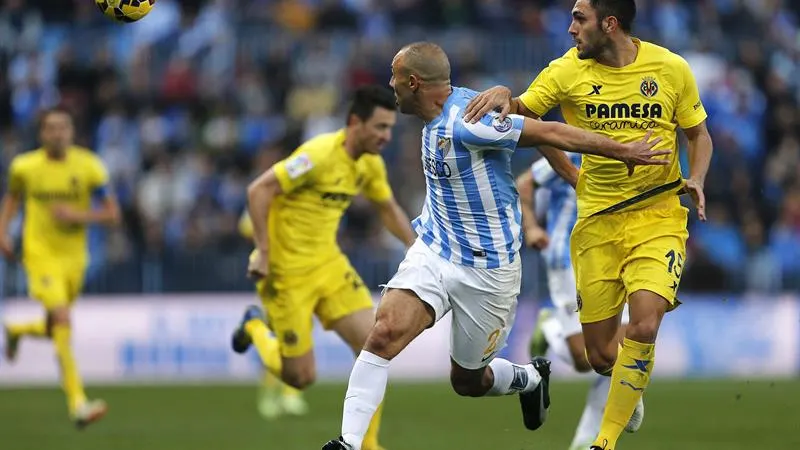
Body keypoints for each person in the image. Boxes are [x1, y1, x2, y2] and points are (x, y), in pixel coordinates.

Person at [322, 41, 672, 450]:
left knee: (468, 382)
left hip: (488, 271)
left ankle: (529, 379)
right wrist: (567, 175)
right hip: (435, 250)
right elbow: (543, 134)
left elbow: (550, 131)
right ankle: (348, 442)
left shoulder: (470, 120)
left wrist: (623, 150)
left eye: (395, 77)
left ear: (413, 82)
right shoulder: (438, 116)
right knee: (382, 334)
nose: (390, 84)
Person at [464, 0, 714, 448]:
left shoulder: (671, 68)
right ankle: (626, 383)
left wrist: (696, 176)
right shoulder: (566, 71)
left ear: (609, 23)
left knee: (644, 324)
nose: (571, 28)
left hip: (658, 216)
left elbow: (697, 133)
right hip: (597, 221)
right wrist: (564, 167)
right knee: (597, 356)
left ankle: (603, 440)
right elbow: (525, 115)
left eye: (580, 19)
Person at [230, 85, 416, 450]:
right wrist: (264, 253)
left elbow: (388, 209)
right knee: (300, 377)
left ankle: (368, 444)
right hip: (286, 273)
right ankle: (254, 325)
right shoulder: (317, 155)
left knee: (376, 344)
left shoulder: (370, 165)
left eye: (390, 128)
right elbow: (258, 190)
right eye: (379, 127)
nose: (386, 136)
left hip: (329, 265)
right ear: (354, 123)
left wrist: (416, 248)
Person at [0, 106, 121, 429]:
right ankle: (78, 402)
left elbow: (112, 214)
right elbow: (12, 198)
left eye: (62, 127)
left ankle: (17, 330)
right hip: (39, 255)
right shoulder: (24, 167)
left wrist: (77, 216)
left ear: (72, 131)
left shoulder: (90, 167)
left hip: (75, 259)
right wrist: (2, 231)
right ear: (41, 134)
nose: (57, 133)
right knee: (63, 320)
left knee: (57, 326)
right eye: (50, 128)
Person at [516, 154, 632, 450]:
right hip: (568, 258)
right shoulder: (574, 148)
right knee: (584, 359)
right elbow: (525, 183)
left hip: (615, 257)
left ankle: (586, 441)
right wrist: (530, 227)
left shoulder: (633, 142)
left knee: (618, 354)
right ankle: (552, 328)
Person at [237, 210, 309, 420]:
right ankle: (269, 395)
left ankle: (291, 394)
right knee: (278, 337)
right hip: (274, 274)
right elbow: (245, 228)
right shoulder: (263, 200)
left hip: (299, 274)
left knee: (299, 336)